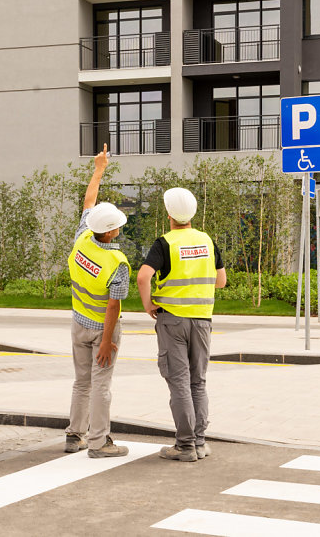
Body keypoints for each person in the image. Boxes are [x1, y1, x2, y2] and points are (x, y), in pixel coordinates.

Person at [137, 187, 227, 462]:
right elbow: (221, 281)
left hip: (172, 320)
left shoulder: (165, 243)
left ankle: (185, 446)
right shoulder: (207, 241)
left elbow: (143, 277)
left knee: (179, 382)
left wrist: (148, 304)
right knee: (197, 382)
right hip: (202, 320)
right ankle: (199, 443)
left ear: (169, 215)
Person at [65, 144, 130, 458]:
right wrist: (107, 341)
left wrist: (99, 169)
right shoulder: (117, 263)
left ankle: (74, 436)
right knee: (101, 385)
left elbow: (89, 201)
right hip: (102, 331)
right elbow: (113, 308)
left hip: (78, 323)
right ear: (112, 232)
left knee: (82, 383)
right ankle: (99, 442)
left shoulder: (82, 238)